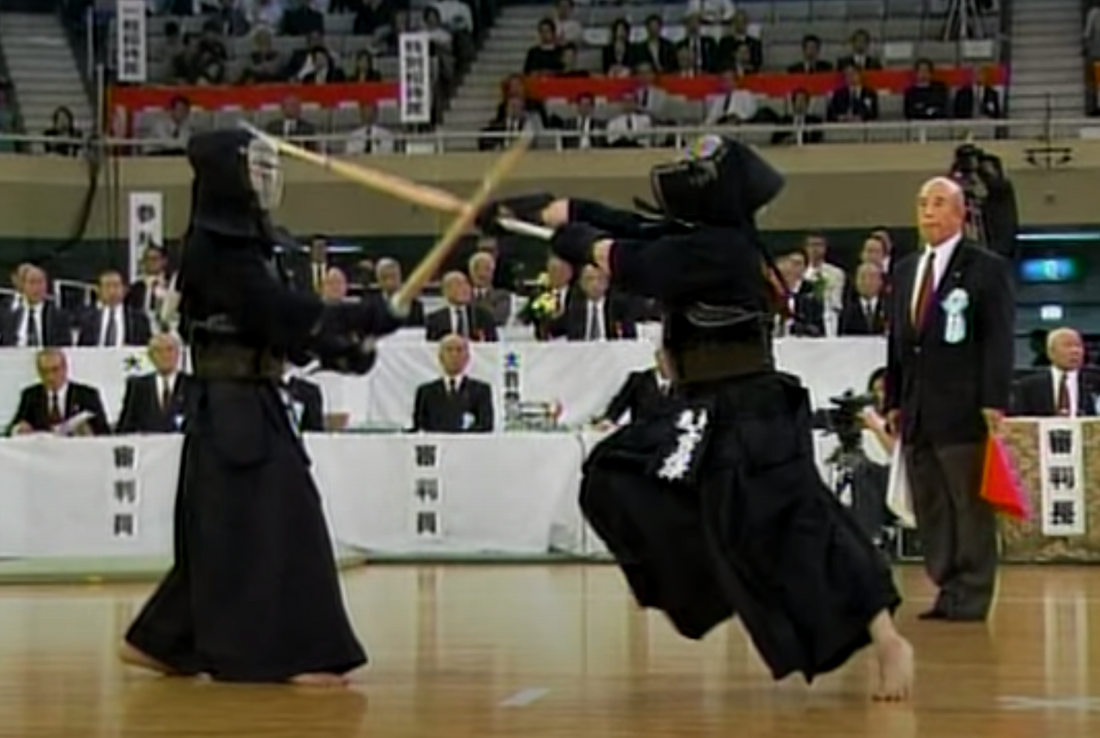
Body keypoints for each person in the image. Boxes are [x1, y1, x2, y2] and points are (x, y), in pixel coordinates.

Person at [478, 135, 913, 700]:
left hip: (751, 410)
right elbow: (622, 226)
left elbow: (628, 259)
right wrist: (530, 211)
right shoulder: (699, 237)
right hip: (702, 407)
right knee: (619, 472)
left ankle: (887, 640)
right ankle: (710, 583)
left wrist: (575, 241)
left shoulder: (724, 250)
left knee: (806, 527)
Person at [119, 128, 404, 686]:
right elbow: (272, 309)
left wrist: (339, 351)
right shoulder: (213, 248)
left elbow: (277, 328)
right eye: (255, 168)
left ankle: (163, 641)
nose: (267, 179)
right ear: (229, 175)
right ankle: (290, 651)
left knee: (234, 531)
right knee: (276, 523)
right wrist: (358, 317)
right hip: (230, 408)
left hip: (253, 402)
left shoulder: (253, 245)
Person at [885, 176, 1015, 623]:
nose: (928, 211)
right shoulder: (905, 270)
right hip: (917, 409)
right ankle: (946, 586)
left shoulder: (985, 267)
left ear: (960, 213)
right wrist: (893, 399)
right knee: (932, 505)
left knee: (968, 504)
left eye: (939, 203)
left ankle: (973, 593)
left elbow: (998, 339)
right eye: (922, 203)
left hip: (963, 408)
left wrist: (994, 399)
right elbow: (898, 341)